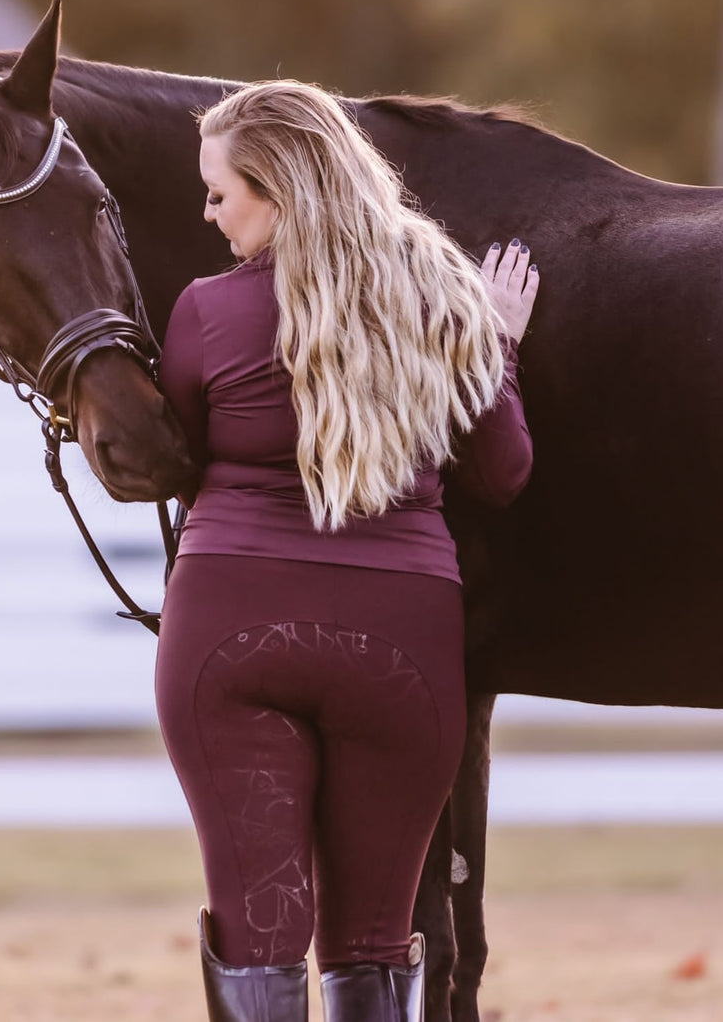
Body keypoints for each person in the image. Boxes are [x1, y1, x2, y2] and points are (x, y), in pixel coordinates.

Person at [155, 80, 537, 1022]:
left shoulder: (204, 313)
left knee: (258, 929)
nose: (208, 214)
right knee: (372, 943)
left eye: (218, 192)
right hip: (400, 648)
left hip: (229, 638)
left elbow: (179, 462)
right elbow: (503, 473)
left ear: (276, 188)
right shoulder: (447, 296)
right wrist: (499, 348)